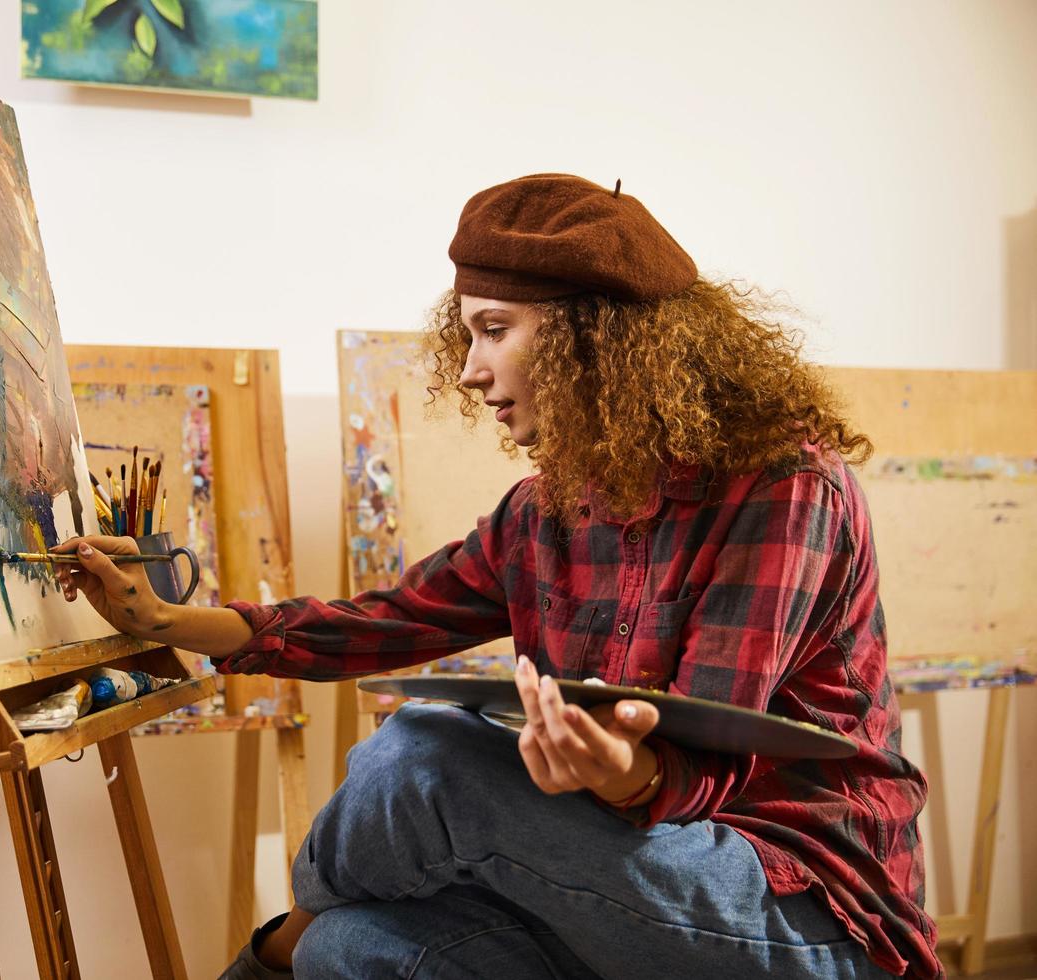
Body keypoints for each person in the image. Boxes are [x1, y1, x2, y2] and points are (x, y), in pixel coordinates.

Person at [54, 174, 940, 979]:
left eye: (494, 330)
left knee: (424, 754)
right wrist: (173, 623)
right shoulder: (543, 511)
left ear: (597, 340)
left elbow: (700, 771)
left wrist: (625, 773)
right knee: (348, 950)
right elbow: (383, 622)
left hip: (799, 912)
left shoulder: (782, 487)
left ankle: (264, 957)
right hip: (629, 893)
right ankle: (298, 945)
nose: (472, 370)